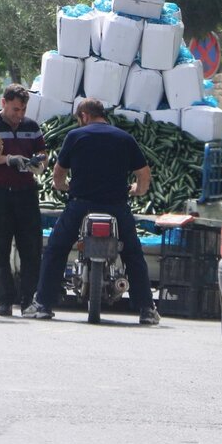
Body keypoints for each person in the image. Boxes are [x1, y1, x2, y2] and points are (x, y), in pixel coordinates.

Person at [26, 98, 160, 325]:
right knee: (133, 254)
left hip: (81, 204)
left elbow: (59, 172)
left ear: (84, 116)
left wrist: (63, 186)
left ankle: (43, 305)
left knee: (56, 249)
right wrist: (138, 190)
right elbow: (144, 174)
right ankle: (146, 309)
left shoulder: (75, 137)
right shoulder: (124, 138)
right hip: (116, 206)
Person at [0, 85, 48, 317]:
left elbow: (43, 153)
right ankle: (3, 301)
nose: (19, 115)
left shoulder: (32, 127)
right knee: (0, 248)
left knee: (31, 249)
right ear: (3, 103)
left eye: (22, 110)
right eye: (15, 109)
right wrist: (9, 160)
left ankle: (28, 300)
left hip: (26, 193)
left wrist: (38, 162)